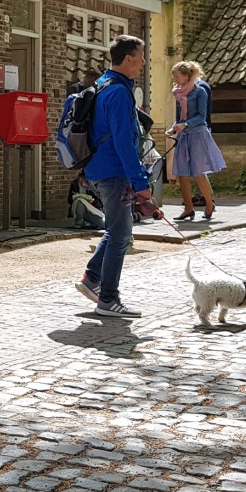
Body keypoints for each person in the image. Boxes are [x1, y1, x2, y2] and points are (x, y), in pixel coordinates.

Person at [72, 35, 152, 318]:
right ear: (129, 58)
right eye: (141, 57)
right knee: (121, 236)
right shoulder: (118, 92)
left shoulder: (104, 84)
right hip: (113, 171)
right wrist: (141, 183)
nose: (143, 62)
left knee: (117, 230)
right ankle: (108, 299)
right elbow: (123, 142)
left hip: (99, 169)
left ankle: (92, 277)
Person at [166, 60, 226, 222]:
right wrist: (173, 128)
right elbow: (180, 117)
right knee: (182, 173)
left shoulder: (200, 91)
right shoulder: (178, 93)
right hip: (184, 135)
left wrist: (185, 125)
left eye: (177, 77)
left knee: (198, 172)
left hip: (198, 134)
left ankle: (209, 203)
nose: (175, 81)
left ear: (187, 75)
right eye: (174, 78)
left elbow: (202, 116)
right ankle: (188, 209)